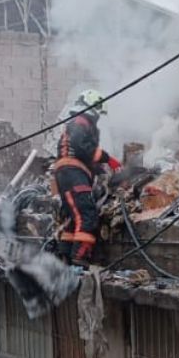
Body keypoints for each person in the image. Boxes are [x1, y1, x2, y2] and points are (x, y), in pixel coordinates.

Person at [51, 89, 121, 266]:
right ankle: (79, 257)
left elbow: (83, 153)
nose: (98, 118)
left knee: (74, 218)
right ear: (92, 107)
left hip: (68, 173)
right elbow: (82, 147)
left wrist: (99, 169)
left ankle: (65, 256)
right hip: (73, 174)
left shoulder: (76, 122)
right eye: (98, 113)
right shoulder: (81, 121)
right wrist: (108, 159)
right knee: (87, 215)